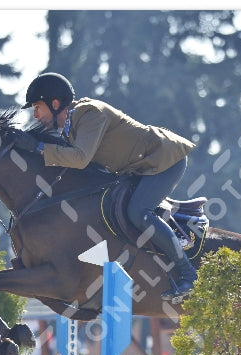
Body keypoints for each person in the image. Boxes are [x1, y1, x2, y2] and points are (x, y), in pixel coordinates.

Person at [11, 72, 198, 301]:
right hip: (139, 167)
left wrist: (38, 147)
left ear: (55, 103)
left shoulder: (89, 113)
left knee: (138, 212)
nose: (35, 115)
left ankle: (188, 274)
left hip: (164, 160)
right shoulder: (70, 128)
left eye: (37, 107)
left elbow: (80, 158)